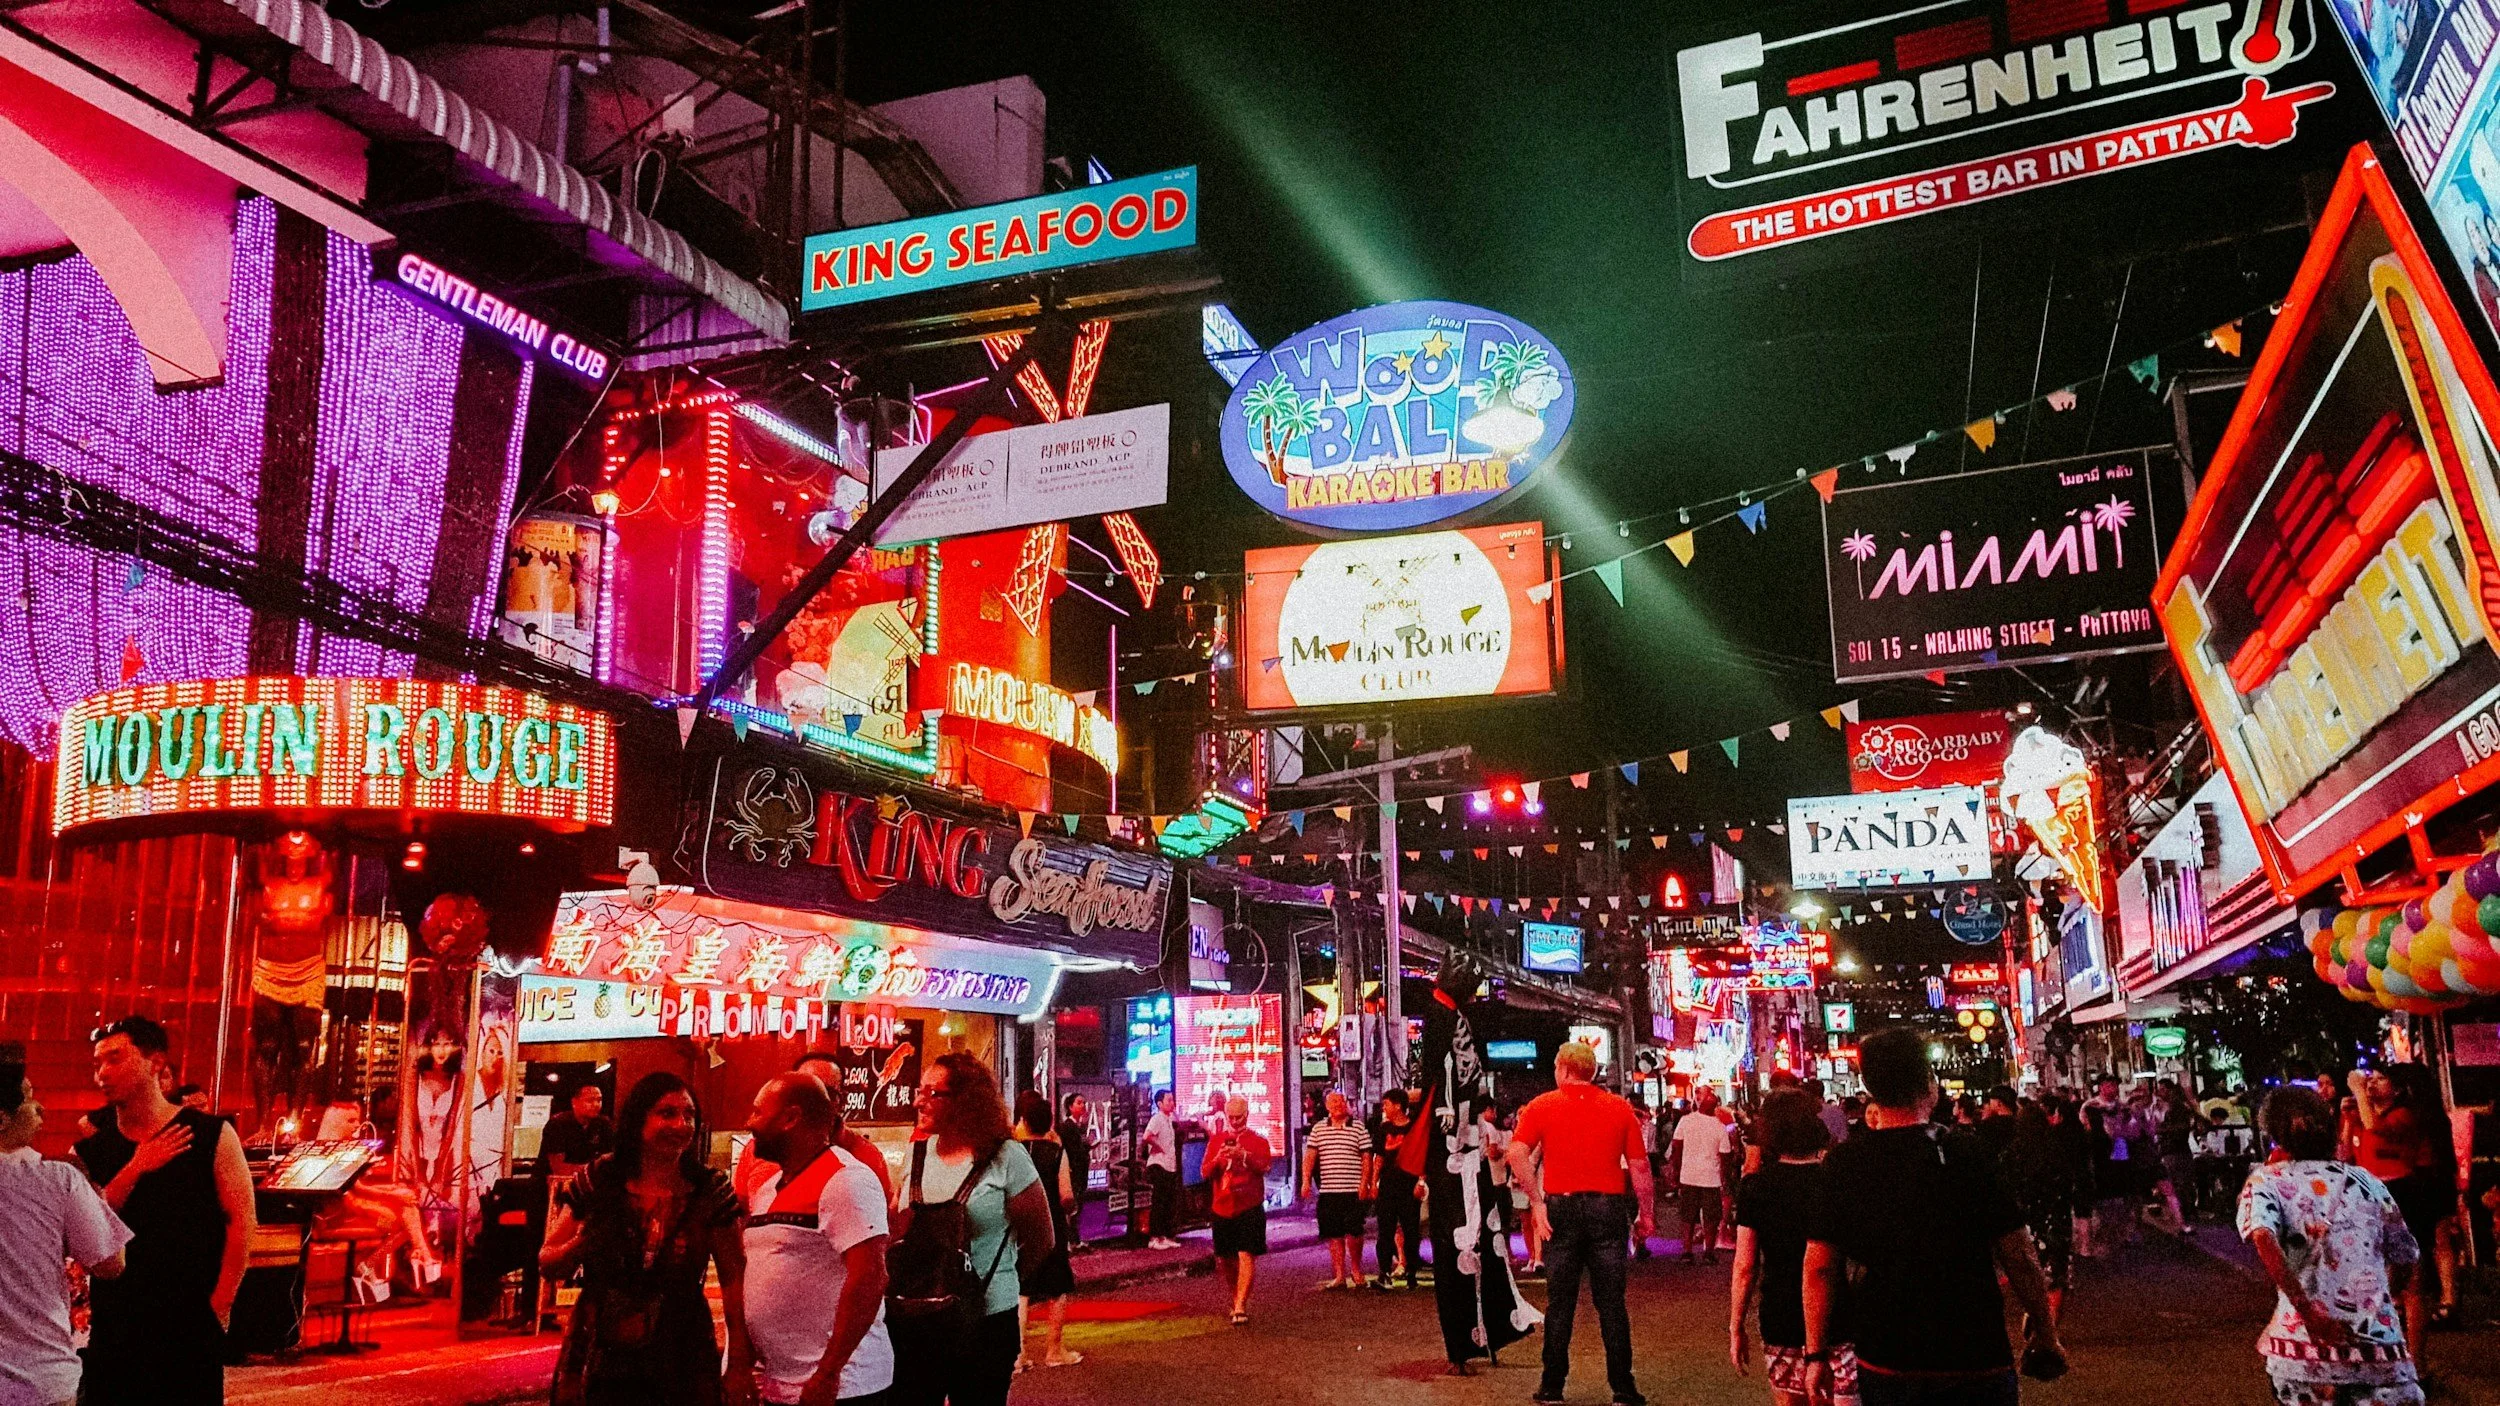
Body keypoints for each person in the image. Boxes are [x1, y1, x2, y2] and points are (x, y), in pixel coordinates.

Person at [1803, 1027, 2061, 1406]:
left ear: (1870, 1086)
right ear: (1928, 1083)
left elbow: (1819, 1267)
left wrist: (1815, 1353)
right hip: (1974, 1351)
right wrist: (2045, 1327)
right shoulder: (1968, 1154)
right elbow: (2019, 1254)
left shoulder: (1845, 1164)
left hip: (1887, 1353)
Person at [75, 1014, 254, 1406]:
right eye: (97, 1063)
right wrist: (136, 1167)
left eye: (115, 1059)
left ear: (155, 1063)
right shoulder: (91, 1148)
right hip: (115, 1325)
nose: (103, 1072)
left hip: (189, 1322)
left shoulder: (210, 1135)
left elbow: (241, 1220)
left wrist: (220, 1305)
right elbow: (86, 1232)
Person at [542, 1072, 749, 1406]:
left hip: (681, 1348)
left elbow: (734, 1277)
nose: (681, 1125)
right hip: (600, 1345)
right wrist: (584, 1243)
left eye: (689, 1115)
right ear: (638, 1119)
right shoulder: (601, 1178)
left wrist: (739, 1360)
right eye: (666, 1113)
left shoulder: (709, 1189)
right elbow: (548, 1260)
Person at [2239, 1085, 2423, 1406]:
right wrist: (2379, 1301)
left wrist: (2308, 1311)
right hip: (2379, 1353)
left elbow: (2262, 1235)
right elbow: (2407, 1255)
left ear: (2272, 1134)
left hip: (2301, 1355)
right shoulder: (2368, 1182)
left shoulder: (2266, 1181)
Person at [889, 1054, 1056, 1406]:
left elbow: (1041, 1238)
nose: (919, 1100)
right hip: (918, 1317)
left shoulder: (1006, 1157)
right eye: (920, 1091)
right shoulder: (916, 1154)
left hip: (986, 1321)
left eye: (932, 1093)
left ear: (965, 1101)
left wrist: (1001, 1281)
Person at [1508, 1040, 1655, 1406]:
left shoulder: (1543, 1105)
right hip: (1608, 1209)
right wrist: (1645, 1214)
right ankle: (1623, 1387)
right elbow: (1639, 1166)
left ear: (1563, 1069)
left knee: (1561, 1302)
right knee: (1612, 1304)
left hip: (1562, 1208)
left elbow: (1516, 1152)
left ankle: (1552, 1385)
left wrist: (1537, 1201)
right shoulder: (1619, 1108)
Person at [736, 1073, 892, 1406]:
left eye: (758, 1112)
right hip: (782, 1384)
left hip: (843, 1387)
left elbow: (870, 1278)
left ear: (790, 1118)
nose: (750, 1123)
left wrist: (828, 1373)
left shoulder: (846, 1180)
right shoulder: (767, 1187)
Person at [2, 1044, 132, 1406]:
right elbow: (110, 1263)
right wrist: (98, 1198)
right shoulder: (58, 1180)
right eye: (29, 1099)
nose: (40, 1107)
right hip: (38, 1380)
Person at [1731, 1089, 1854, 1406]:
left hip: (1781, 1313)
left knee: (1790, 1398)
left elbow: (1745, 1267)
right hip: (1838, 1313)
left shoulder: (1756, 1188)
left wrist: (1736, 1326)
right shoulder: (1835, 1182)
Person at [2352, 1065, 2462, 1362]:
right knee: (2385, 1277)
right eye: (2370, 1078)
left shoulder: (2404, 1115)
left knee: (2411, 1279)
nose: (2372, 1083)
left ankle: (2414, 1359)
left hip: (2406, 1196)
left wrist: (2360, 1092)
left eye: (2380, 1079)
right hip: (2376, 1195)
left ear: (2399, 1089)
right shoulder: (2363, 1114)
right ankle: (2388, 1351)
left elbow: (2378, 1130)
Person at [2000, 1099, 2086, 1327]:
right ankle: (2050, 1323)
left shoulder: (2012, 1154)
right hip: (2057, 1219)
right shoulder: (2056, 1149)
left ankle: (2036, 1314)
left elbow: (2004, 1187)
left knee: (2030, 1274)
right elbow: (2070, 1182)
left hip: (2026, 1222)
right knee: (2055, 1275)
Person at [1012, 1091, 1082, 1368]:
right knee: (1057, 1287)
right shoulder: (1056, 1152)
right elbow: (1065, 1195)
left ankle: (1018, 1355)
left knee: (1021, 1289)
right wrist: (1071, 1208)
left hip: (1020, 1227)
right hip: (1052, 1225)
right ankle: (1054, 1350)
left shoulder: (1014, 1152)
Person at [788, 1052, 897, 1205]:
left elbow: (882, 1220)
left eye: (827, 1093)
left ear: (842, 1101)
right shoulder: (761, 1152)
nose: (813, 1102)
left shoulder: (867, 1158)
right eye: (805, 1092)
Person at [1204, 1095, 1273, 1324]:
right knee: (1225, 1259)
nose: (1234, 1122)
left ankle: (1241, 1304)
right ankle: (1236, 1298)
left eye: (1239, 1117)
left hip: (1249, 1204)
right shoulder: (1217, 1140)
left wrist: (1244, 1155)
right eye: (1231, 1117)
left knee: (1246, 1253)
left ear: (1247, 1115)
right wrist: (1218, 1158)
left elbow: (1265, 1166)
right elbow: (1204, 1172)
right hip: (1223, 1205)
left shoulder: (1258, 1140)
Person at [1302, 1088, 1373, 1289]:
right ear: (1326, 1107)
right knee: (1333, 1234)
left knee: (1354, 1232)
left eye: (1340, 1102)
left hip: (1352, 1189)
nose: (1337, 1106)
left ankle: (1356, 1269)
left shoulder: (1358, 1128)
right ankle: (1339, 1275)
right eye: (1333, 1103)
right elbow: (1310, 1157)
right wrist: (1306, 1180)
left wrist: (1364, 1183)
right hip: (1329, 1190)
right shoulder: (1318, 1129)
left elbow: (1366, 1158)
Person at [1669, 1088, 1735, 1264]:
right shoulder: (1719, 1127)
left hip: (1688, 1175)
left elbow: (1676, 1147)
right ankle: (1708, 1251)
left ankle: (1687, 1251)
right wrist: (1725, 1177)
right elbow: (1726, 1155)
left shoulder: (1685, 1121)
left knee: (1688, 1216)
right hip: (1710, 1177)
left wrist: (1675, 1171)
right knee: (1711, 1217)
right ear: (1715, 1107)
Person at [1368, 1088, 1424, 1288]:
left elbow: (1422, 1157)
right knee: (1385, 1230)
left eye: (1387, 1104)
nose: (1384, 1107)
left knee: (1410, 1230)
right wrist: (1373, 1182)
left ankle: (1411, 1273)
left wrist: (1421, 1182)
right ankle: (1384, 1273)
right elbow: (1379, 1158)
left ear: (1398, 1105)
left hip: (1409, 1185)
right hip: (1388, 1186)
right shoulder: (1383, 1129)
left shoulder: (1415, 1128)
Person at [542, 1080, 613, 1180]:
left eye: (599, 1100)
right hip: (552, 1186)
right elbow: (559, 1169)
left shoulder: (603, 1123)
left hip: (587, 1183)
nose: (596, 1104)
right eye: (590, 1100)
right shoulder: (558, 1124)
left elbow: (610, 1157)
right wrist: (594, 1168)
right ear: (574, 1102)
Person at [1140, 1089, 1181, 1250]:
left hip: (1169, 1165)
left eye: (1172, 1100)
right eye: (1169, 1100)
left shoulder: (1168, 1119)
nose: (1172, 1103)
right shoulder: (1157, 1118)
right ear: (1159, 1104)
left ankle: (1164, 1236)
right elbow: (1147, 1136)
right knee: (1159, 1202)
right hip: (1159, 1165)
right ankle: (1154, 1237)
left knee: (1168, 1202)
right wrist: (1158, 1147)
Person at [1056, 1094, 1093, 1252]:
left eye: (1084, 1103)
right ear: (1070, 1107)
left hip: (1080, 1171)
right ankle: (1068, 1241)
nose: (1083, 1106)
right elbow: (1071, 1150)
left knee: (1077, 1206)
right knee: (1071, 1206)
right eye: (1079, 1103)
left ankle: (1074, 1239)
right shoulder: (1068, 1127)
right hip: (1073, 1172)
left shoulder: (1079, 1126)